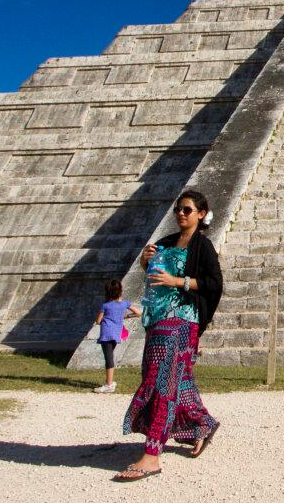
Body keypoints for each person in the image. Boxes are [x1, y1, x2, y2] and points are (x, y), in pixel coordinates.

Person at [114, 190, 224, 482]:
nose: (181, 214)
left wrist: (179, 281)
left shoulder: (203, 246)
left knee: (162, 379)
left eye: (187, 209)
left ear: (201, 214)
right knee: (177, 378)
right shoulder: (164, 242)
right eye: (178, 209)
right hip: (159, 319)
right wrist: (144, 260)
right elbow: (151, 275)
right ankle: (203, 424)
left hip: (183, 321)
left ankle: (152, 453)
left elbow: (214, 283)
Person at [94, 278, 141, 393]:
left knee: (109, 359)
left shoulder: (105, 305)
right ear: (120, 290)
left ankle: (109, 385)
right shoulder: (125, 303)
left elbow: (98, 321)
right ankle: (109, 382)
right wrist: (125, 317)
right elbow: (138, 313)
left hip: (106, 334)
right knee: (110, 356)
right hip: (116, 334)